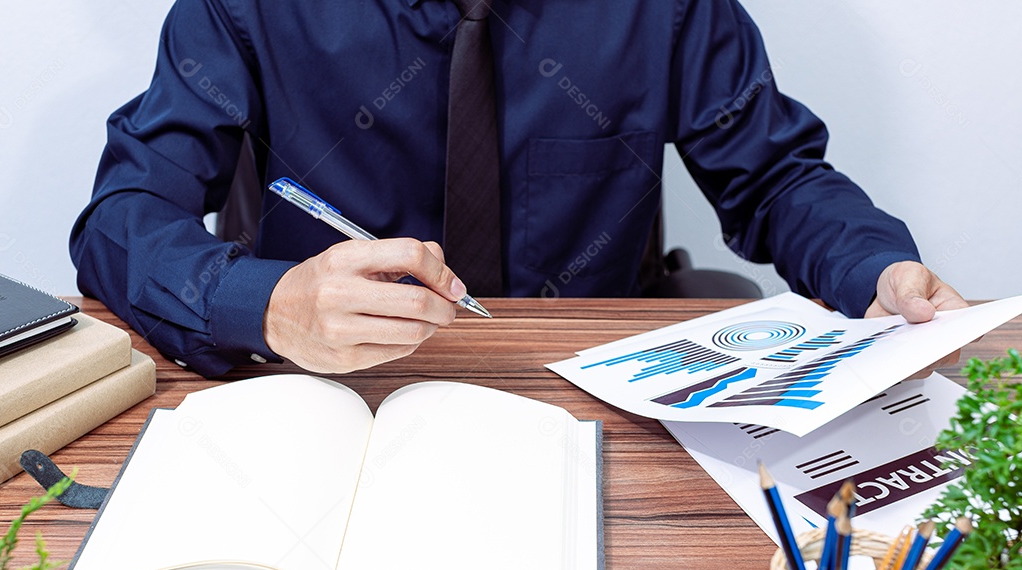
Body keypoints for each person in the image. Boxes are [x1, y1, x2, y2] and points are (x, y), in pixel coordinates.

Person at [70, 0, 967, 379]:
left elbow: (773, 174)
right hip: (325, 399)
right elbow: (123, 218)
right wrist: (263, 301)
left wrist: (875, 269)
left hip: (584, 395)